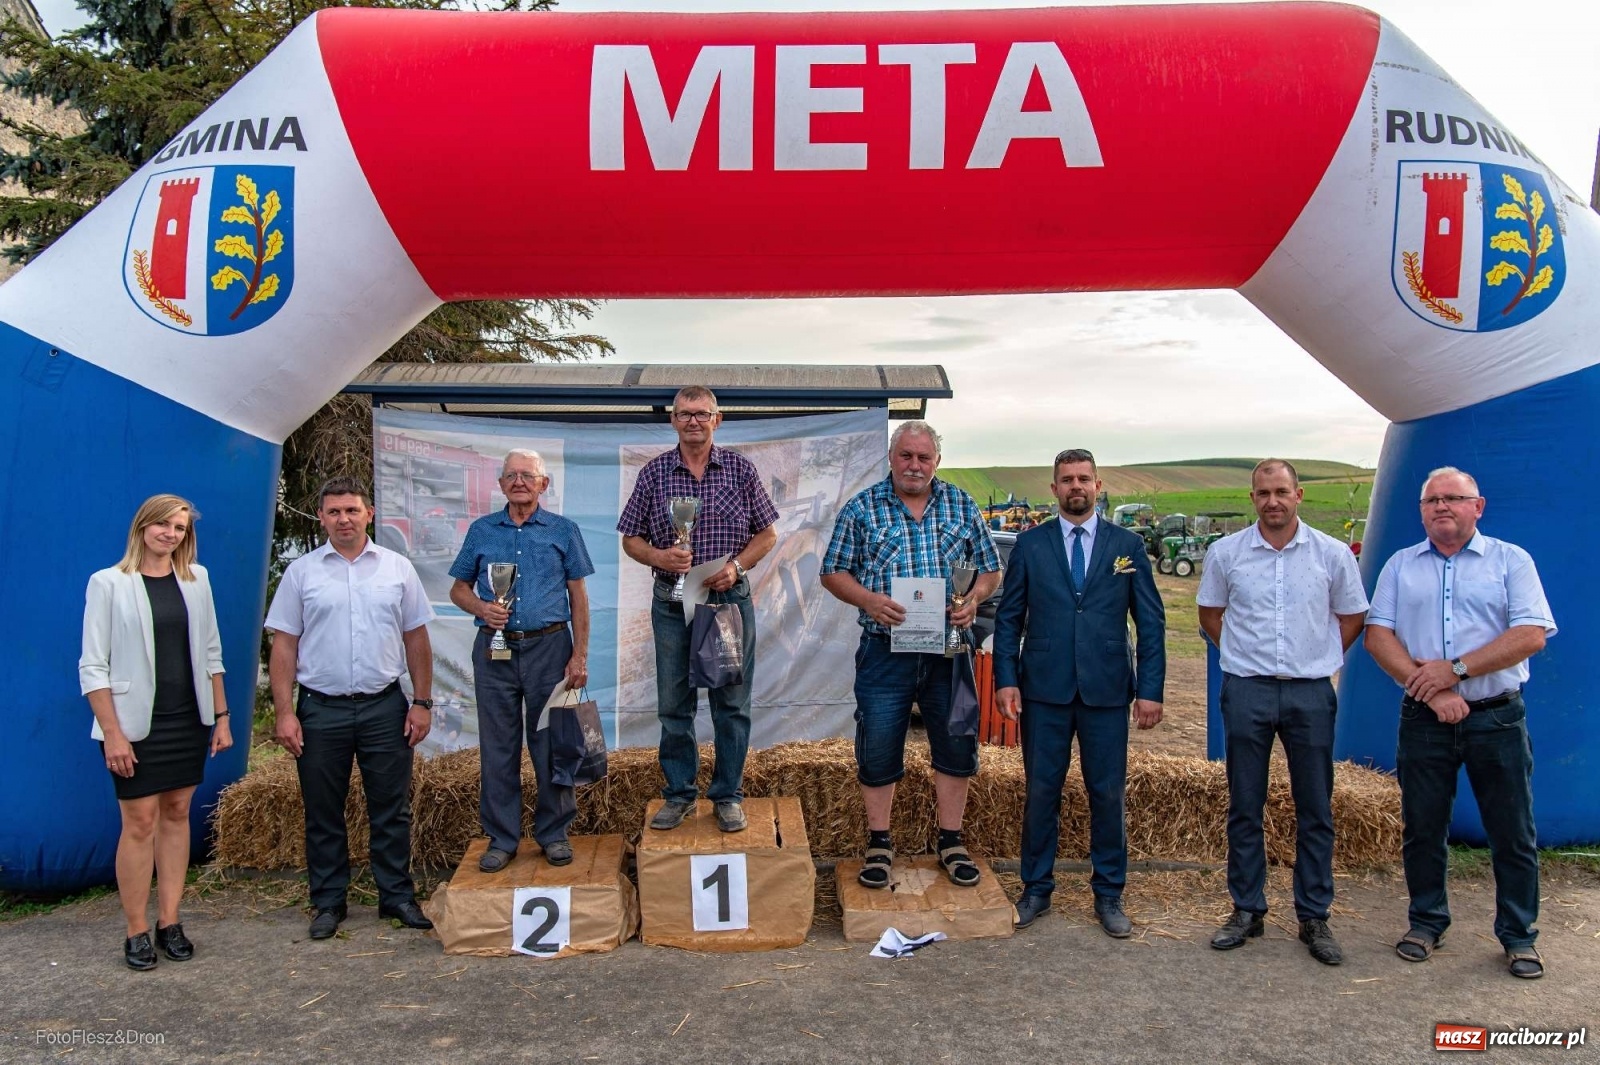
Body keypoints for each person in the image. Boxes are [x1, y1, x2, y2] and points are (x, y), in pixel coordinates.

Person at [1364, 466, 1555, 980]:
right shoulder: (1401, 566)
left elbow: (1531, 634)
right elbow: (1377, 635)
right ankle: (1425, 923)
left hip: (1496, 717)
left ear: (1478, 506)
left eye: (1453, 498)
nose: (1441, 507)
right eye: (1431, 501)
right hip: (1425, 718)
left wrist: (1458, 670)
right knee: (1423, 828)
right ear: (1421, 510)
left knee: (1512, 831)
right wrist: (1431, 687)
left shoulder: (1511, 561)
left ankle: (1518, 936)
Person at [1196, 459, 1368, 965]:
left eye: (1281, 491)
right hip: (1247, 690)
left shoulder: (1332, 554)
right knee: (1244, 804)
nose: (1272, 501)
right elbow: (1210, 614)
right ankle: (1247, 910)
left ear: (1299, 495)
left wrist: (1318, 657)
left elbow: (1353, 615)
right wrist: (1240, 656)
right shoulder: (1225, 553)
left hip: (1310, 694)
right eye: (1262, 492)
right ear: (1253, 498)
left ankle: (1314, 916)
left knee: (1315, 806)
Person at [819, 421, 1002, 889]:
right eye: (906, 456)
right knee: (878, 746)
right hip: (885, 652)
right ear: (891, 457)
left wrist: (973, 600)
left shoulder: (961, 503)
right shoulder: (862, 507)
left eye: (923, 457)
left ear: (936, 461)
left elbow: (990, 569)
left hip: (948, 651)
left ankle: (951, 841)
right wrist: (868, 600)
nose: (914, 465)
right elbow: (832, 572)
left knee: (956, 744)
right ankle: (879, 843)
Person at [994, 449, 1165, 935]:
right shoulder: (1031, 545)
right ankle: (1036, 888)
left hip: (1107, 692)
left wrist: (1150, 689)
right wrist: (1006, 678)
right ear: (1054, 489)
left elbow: (1150, 622)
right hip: (1044, 691)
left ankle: (1109, 893)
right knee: (1041, 791)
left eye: (1083, 479)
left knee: (1106, 793)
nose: (1076, 487)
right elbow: (1009, 620)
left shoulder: (1126, 545)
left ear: (1098, 485)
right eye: (1066, 480)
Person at [267, 477, 436, 940]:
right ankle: (327, 902)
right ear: (321, 517)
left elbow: (416, 638)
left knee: (392, 808)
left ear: (370, 514)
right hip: (320, 710)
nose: (344, 519)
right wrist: (284, 712)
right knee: (323, 810)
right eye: (334, 511)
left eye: (352, 510)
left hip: (385, 706)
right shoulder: (301, 573)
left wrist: (421, 702)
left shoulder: (397, 569)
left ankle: (397, 896)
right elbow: (284, 646)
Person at [80, 495, 231, 970]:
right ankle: (136, 930)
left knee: (177, 812)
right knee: (139, 822)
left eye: (180, 528)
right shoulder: (108, 583)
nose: (171, 534)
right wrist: (113, 734)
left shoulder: (197, 579)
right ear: (143, 527)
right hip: (132, 726)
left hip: (189, 718)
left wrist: (222, 717)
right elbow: (93, 667)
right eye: (163, 525)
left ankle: (170, 921)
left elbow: (212, 653)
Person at [618, 386, 779, 833]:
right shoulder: (653, 475)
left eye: (701, 414)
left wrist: (736, 566)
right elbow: (630, 539)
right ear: (673, 420)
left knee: (731, 704)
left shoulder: (741, 471)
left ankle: (728, 795)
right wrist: (658, 557)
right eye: (685, 414)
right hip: (672, 603)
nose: (693, 421)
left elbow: (767, 535)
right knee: (674, 705)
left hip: (727, 601)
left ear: (717, 420)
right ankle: (679, 794)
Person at [449, 449, 593, 872]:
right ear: (500, 485)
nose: (519, 482)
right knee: (498, 746)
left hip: (550, 647)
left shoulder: (564, 531)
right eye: (511, 475)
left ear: (543, 484)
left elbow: (578, 598)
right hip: (494, 649)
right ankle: (502, 838)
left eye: (527, 476)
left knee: (552, 743)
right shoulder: (481, 531)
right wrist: (481, 608)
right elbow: (458, 589)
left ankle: (554, 833)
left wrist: (579, 654)